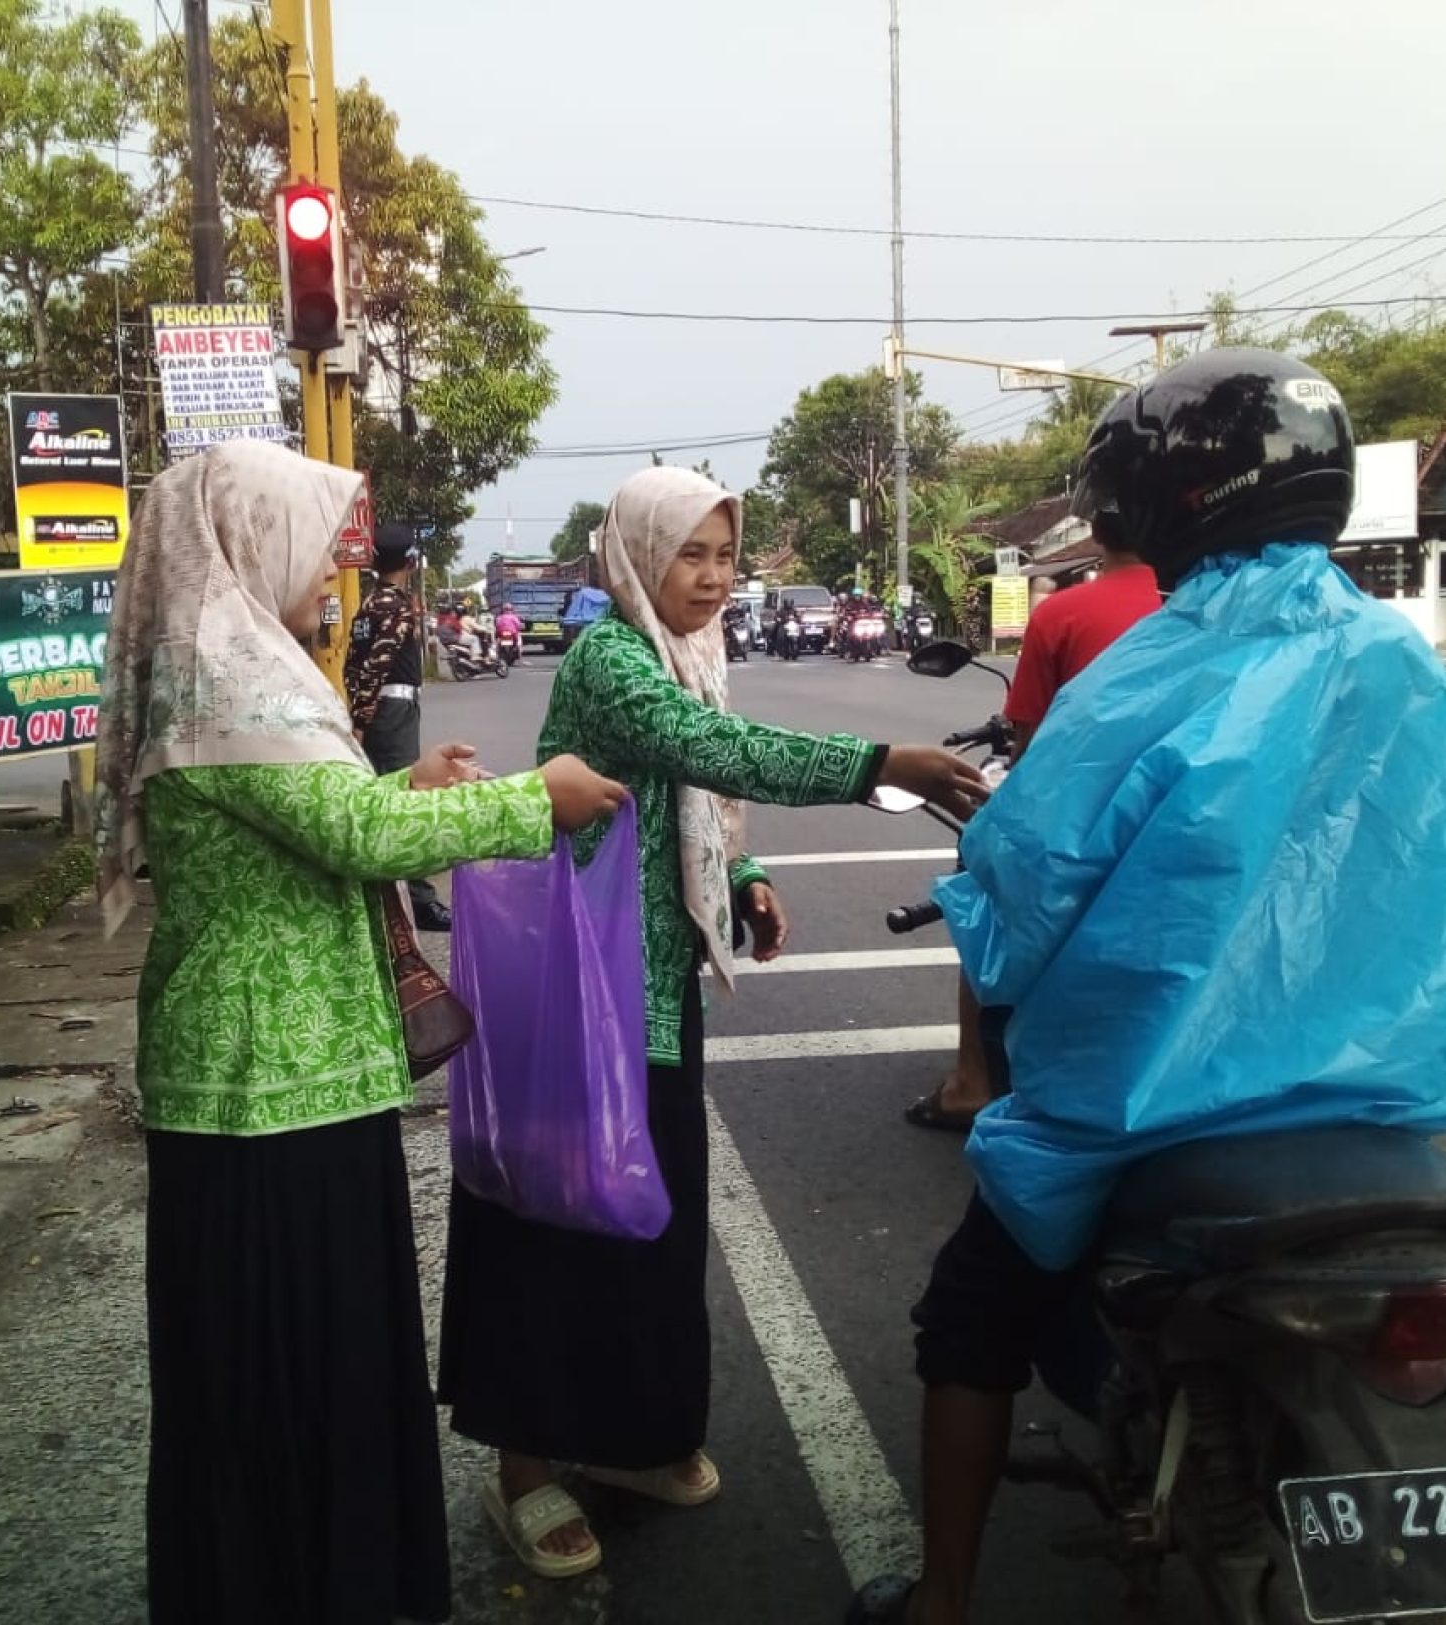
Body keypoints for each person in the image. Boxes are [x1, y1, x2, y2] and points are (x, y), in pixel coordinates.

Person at [849, 350, 1446, 1625]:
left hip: (1152, 1114)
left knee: (968, 1317)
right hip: (1398, 1103)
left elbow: (1020, 893)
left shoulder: (1148, 670)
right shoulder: (1400, 653)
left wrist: (987, 919)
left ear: (1163, 504)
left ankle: (940, 1598)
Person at [92, 440, 626, 1625]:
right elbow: (343, 837)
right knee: (283, 1363)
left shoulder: (233, 663)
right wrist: (532, 800)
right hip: (261, 1080)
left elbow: (308, 823)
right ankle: (291, 1582)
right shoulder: (227, 675)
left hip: (297, 1068)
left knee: (301, 1356)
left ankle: (304, 1574)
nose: (329, 570)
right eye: (312, 540)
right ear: (247, 539)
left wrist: (412, 787)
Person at [437, 466, 988, 1580]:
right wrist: (880, 762)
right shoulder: (609, 659)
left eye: (726, 556)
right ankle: (525, 1467)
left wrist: (747, 869)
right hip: (581, 995)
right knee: (560, 1225)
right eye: (690, 552)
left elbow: (702, 795)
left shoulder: (690, 654)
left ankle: (633, 1437)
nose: (713, 577)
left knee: (650, 1225)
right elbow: (715, 752)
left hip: (655, 991)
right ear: (633, 554)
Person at [903, 514, 1161, 1132]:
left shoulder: (1065, 611)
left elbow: (1030, 749)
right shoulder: (1211, 605)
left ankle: (972, 1080)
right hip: (1191, 824)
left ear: (1098, 527)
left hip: (1080, 825)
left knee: (980, 889)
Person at [347, 522, 452, 930]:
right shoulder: (394, 606)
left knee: (384, 792)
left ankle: (386, 892)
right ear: (409, 562)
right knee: (406, 795)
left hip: (380, 712)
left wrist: (358, 710)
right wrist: (361, 719)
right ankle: (420, 900)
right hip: (392, 713)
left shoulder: (369, 605)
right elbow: (376, 665)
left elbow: (354, 667)